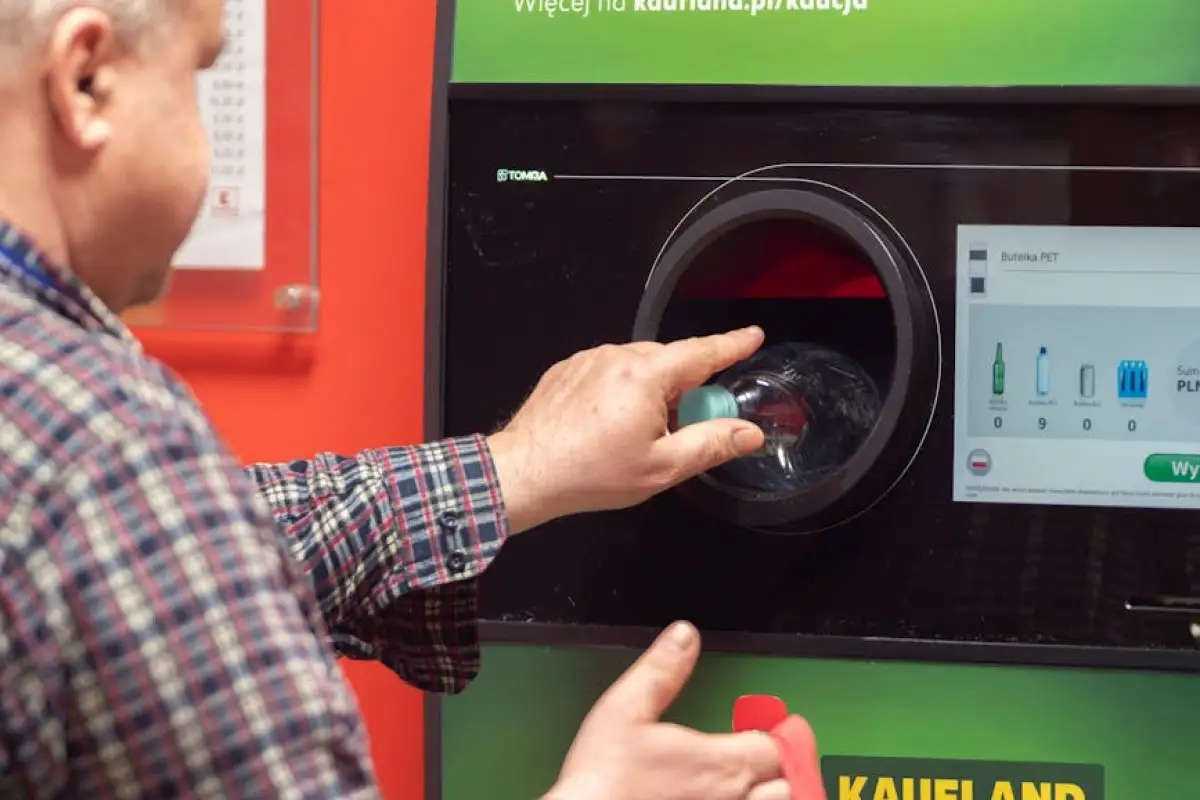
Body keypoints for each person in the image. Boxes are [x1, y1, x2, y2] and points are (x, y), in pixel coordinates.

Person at [0, 1, 793, 798]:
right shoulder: (107, 447)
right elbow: (145, 532)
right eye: (197, 74)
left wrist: (515, 465)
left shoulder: (69, 445)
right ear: (85, 80)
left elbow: (167, 560)